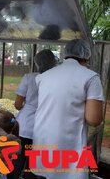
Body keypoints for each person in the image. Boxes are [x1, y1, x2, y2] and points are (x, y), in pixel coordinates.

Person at [33, 39, 104, 179]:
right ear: (87, 56)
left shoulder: (44, 76)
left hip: (42, 139)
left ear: (65, 54)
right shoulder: (90, 77)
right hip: (67, 143)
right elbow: (94, 119)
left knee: (44, 174)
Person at [13, 49, 57, 179]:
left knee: (18, 161)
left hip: (24, 127)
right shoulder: (56, 81)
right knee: (33, 165)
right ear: (54, 63)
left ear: (37, 63)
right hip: (44, 129)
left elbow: (17, 104)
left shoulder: (29, 77)